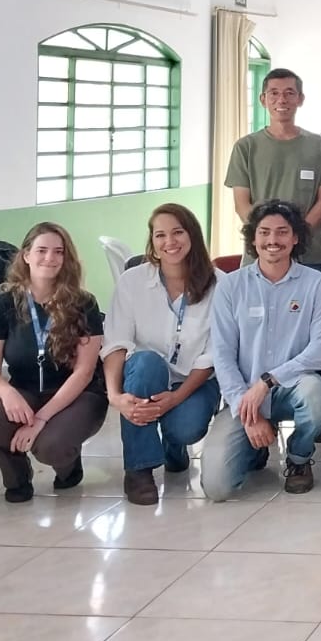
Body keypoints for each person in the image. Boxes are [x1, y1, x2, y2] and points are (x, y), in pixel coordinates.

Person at [202, 200, 321, 500]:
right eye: (264, 232)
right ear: (252, 238)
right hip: (245, 396)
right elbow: (222, 355)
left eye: (282, 232)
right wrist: (246, 410)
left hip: (294, 389)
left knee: (318, 395)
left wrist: (268, 381)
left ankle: (299, 458)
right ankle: (256, 447)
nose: (272, 241)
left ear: (296, 238)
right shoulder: (231, 286)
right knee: (216, 488)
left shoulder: (316, 284)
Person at [0, 223, 107, 502]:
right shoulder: (3, 305)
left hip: (77, 394)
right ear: (26, 256)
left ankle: (69, 467)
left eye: (58, 252)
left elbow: (83, 373)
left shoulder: (84, 304)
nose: (50, 258)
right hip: (26, 389)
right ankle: (18, 478)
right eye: (42, 250)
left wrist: (41, 419)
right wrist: (8, 392)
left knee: (51, 446)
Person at [101, 205, 221, 505]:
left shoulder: (221, 283)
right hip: (145, 377)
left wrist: (176, 398)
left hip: (193, 381)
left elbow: (214, 354)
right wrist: (115, 395)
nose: (170, 242)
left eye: (178, 232)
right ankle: (139, 470)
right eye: (161, 235)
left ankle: (173, 445)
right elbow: (116, 341)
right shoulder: (132, 281)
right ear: (152, 242)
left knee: (186, 429)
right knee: (145, 363)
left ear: (193, 234)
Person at [225, 68, 321, 269]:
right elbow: (242, 203)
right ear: (263, 99)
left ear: (300, 99)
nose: (282, 100)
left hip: (308, 255)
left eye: (289, 93)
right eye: (274, 93)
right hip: (261, 257)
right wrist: (270, 237)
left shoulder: (319, 146)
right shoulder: (246, 147)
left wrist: (295, 235)